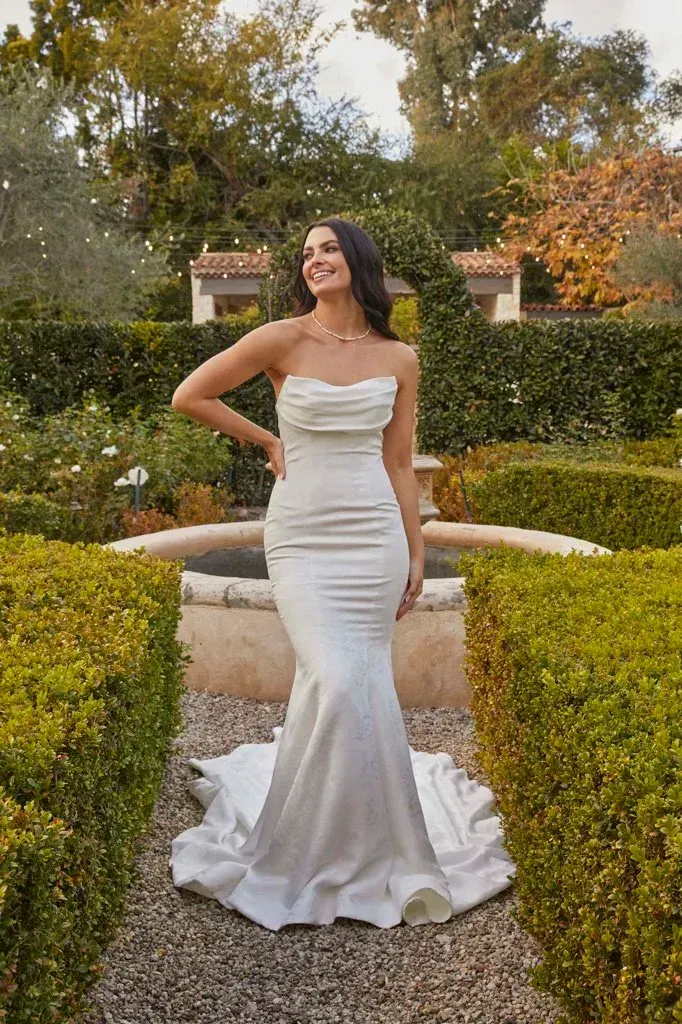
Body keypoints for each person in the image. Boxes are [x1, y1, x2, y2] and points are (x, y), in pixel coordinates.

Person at [168, 217, 515, 931]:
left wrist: (416, 551)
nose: (315, 260)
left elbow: (397, 461)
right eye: (307, 254)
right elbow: (190, 394)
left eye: (328, 249)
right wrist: (267, 437)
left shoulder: (401, 357)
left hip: (373, 537)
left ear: (358, 261)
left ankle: (376, 844)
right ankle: (300, 850)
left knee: (360, 679)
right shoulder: (281, 338)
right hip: (301, 534)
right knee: (334, 676)